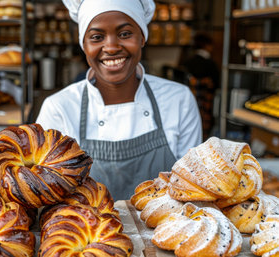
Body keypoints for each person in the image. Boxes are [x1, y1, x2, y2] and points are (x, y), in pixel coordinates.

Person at [36, 0, 202, 200]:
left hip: (166, 230)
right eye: (97, 37)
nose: (112, 47)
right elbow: (45, 190)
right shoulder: (59, 108)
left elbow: (192, 189)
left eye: (125, 34)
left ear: (142, 37)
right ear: (84, 45)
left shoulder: (178, 100)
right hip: (83, 228)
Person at [182, 33, 220, 140]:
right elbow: (217, 85)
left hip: (188, 106)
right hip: (206, 109)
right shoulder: (211, 64)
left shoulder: (187, 62)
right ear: (207, 45)